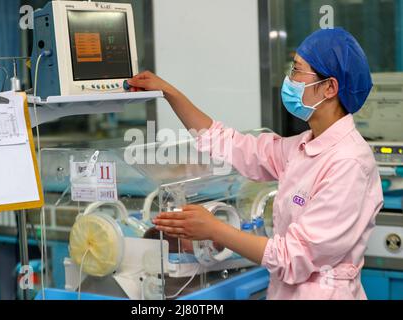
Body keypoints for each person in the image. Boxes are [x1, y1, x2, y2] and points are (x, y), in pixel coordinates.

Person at [127, 28, 383, 300]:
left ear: (330, 87)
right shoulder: (303, 146)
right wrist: (170, 93)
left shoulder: (349, 162)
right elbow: (230, 143)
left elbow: (294, 257)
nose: (289, 80)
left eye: (296, 71)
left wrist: (215, 229)